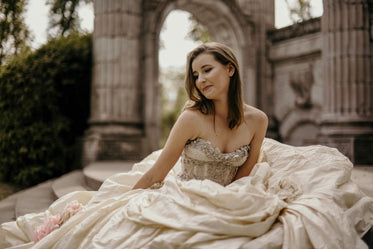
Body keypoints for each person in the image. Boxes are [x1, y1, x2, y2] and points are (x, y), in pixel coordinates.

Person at [0, 42, 372, 249]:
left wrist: (239, 206)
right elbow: (159, 171)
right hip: (182, 192)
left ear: (230, 68)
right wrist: (106, 202)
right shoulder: (191, 116)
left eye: (207, 69)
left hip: (229, 197)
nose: (200, 79)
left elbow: (245, 175)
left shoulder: (257, 120)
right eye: (195, 74)